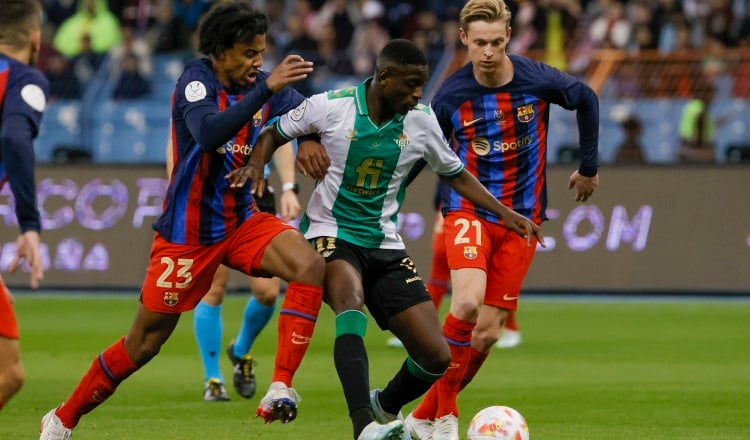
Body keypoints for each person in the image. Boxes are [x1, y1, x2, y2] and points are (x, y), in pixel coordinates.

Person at [39, 3, 326, 438]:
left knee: (310, 267)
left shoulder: (260, 83)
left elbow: (314, 113)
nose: (257, 62)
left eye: (261, 52)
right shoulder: (196, 81)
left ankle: (280, 386)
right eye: (249, 53)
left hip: (242, 221)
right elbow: (210, 133)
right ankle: (62, 418)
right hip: (187, 236)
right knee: (144, 345)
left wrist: (308, 136)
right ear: (221, 51)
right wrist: (267, 88)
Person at [249, 38, 543, 440]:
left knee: (436, 354)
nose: (419, 93)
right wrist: (257, 173)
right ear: (384, 78)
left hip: (384, 243)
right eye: (411, 84)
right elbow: (270, 134)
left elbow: (454, 172)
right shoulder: (331, 106)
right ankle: (363, 427)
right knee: (349, 304)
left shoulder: (420, 120)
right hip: (331, 233)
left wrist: (505, 213)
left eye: (421, 84)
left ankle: (383, 405)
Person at [404, 1, 600, 438]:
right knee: (467, 304)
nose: (488, 52)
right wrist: (390, 195)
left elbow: (586, 98)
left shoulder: (536, 79)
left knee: (487, 335)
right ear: (463, 40)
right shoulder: (452, 95)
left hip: (523, 221)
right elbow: (424, 150)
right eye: (479, 44)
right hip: (469, 211)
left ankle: (421, 418)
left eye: (496, 42)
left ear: (507, 37)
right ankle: (447, 416)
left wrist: (588, 166)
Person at [165, 136, 301, 402]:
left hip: (255, 195)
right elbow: (176, 139)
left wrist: (288, 186)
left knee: (268, 292)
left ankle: (240, 350)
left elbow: (280, 135)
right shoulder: (203, 96)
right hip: (209, 200)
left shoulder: (262, 96)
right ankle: (213, 378)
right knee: (214, 286)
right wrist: (179, 192)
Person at [386, 182, 522, 349]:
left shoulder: (474, 168)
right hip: (455, 212)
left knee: (487, 281)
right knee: (439, 278)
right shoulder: (455, 165)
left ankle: (509, 329)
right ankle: (420, 330)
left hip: (475, 215)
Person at [0, 0, 47, 411]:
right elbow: (15, 138)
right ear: (35, 37)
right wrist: (29, 225)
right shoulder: (23, 79)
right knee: (8, 375)